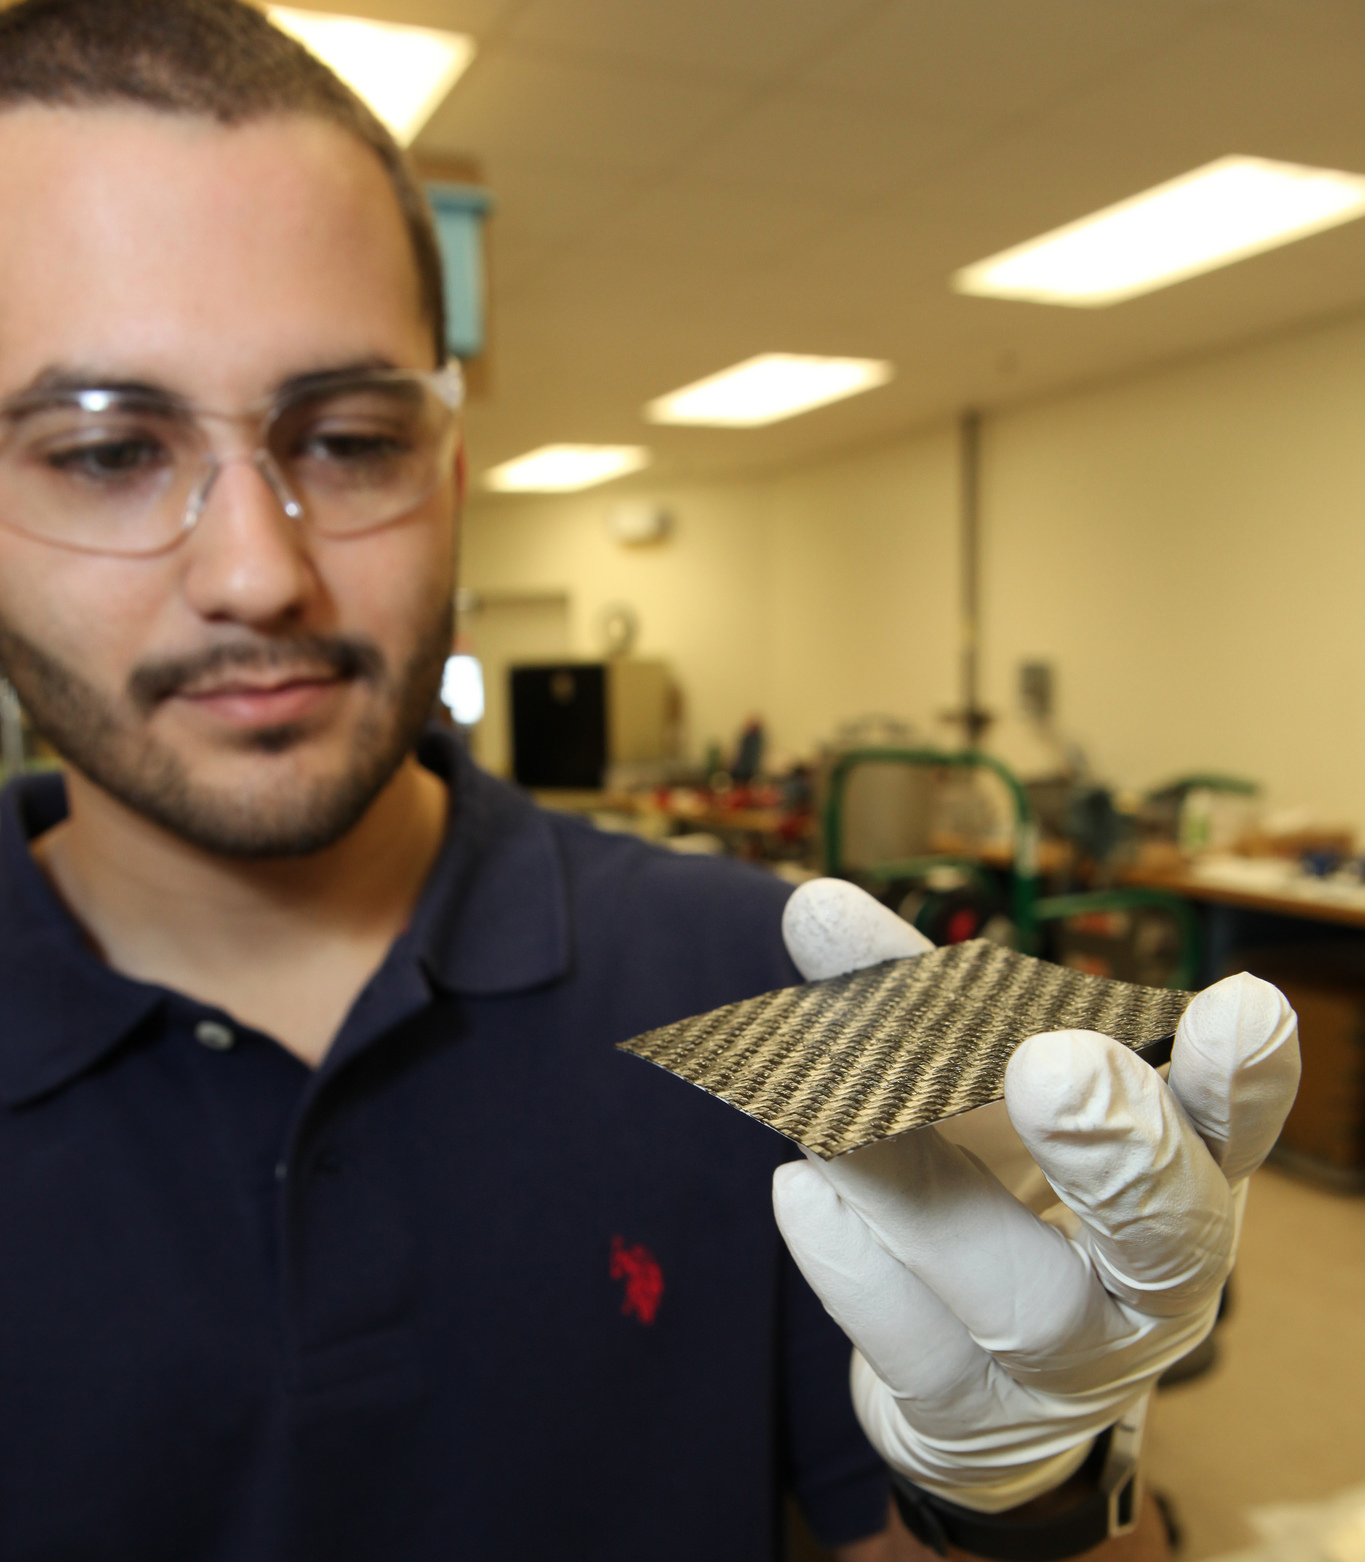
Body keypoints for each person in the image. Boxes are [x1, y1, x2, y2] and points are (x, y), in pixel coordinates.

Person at [0, 2, 1301, 1560]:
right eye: (101, 449)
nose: (256, 570)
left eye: (345, 437)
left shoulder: (760, 991)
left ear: (452, 472)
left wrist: (1019, 1495)